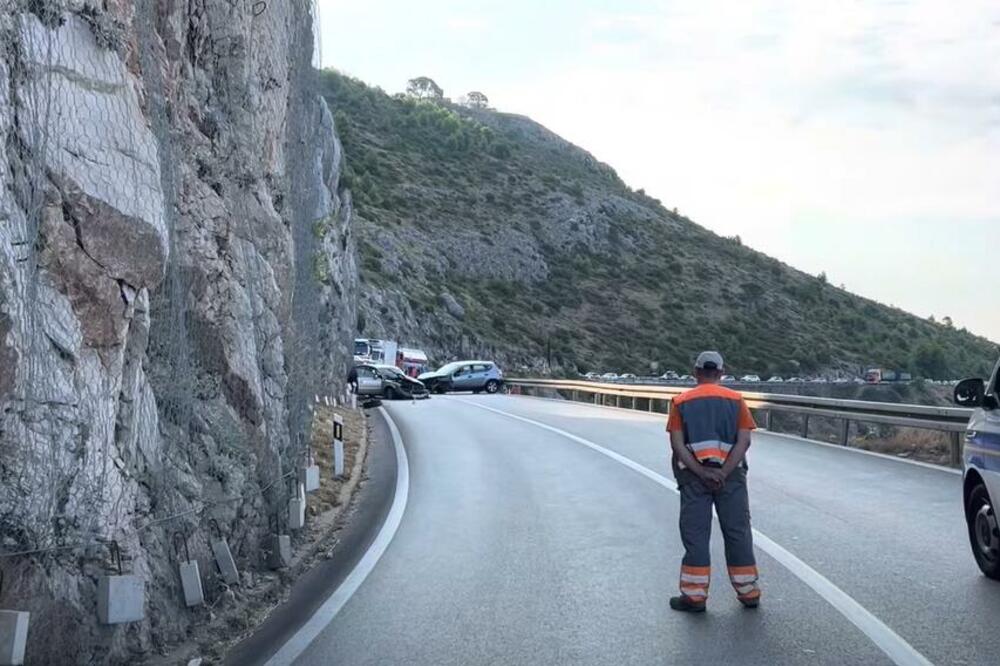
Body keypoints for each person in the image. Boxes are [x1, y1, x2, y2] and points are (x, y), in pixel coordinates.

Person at [666, 351, 760, 612]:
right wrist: (724, 471)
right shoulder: (737, 400)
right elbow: (744, 441)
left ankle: (694, 597)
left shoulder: (681, 402)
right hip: (731, 478)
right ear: (721, 372)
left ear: (695, 372)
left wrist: (701, 471)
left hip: (694, 478)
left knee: (696, 534)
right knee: (737, 532)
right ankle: (748, 591)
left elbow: (677, 444)